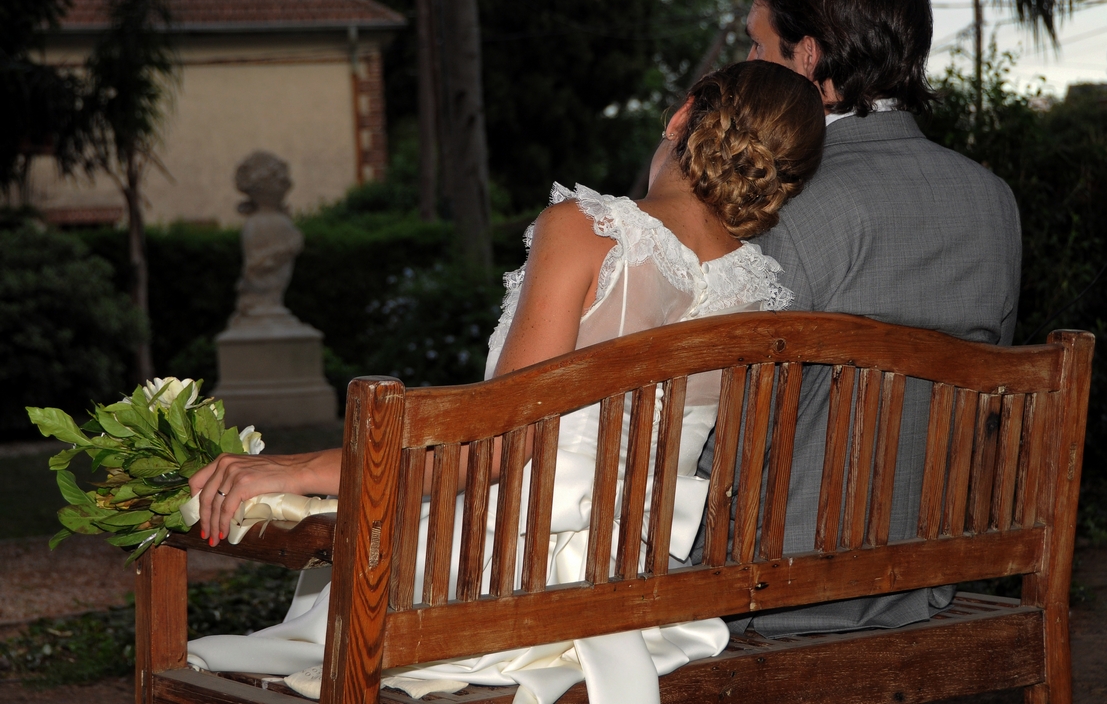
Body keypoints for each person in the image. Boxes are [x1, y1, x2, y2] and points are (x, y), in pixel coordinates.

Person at [185, 60, 826, 703]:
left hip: (505, 577)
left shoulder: (588, 230)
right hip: (641, 587)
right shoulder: (757, 294)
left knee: (331, 590)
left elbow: (493, 452)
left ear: (683, 115)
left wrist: (299, 468)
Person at [690, 0, 1022, 637]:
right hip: (927, 577)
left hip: (776, 587)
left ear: (807, 56)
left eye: (757, 45)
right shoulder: (995, 202)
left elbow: (727, 433)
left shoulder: (784, 205)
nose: (748, 64)